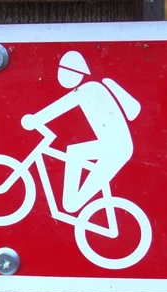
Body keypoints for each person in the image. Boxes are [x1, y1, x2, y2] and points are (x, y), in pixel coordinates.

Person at [21, 50, 141, 213]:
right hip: (113, 146)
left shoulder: (89, 89)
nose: (60, 75)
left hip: (116, 149)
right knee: (76, 152)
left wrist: (35, 120)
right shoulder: (92, 87)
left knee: (76, 155)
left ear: (75, 73)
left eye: (63, 71)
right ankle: (72, 206)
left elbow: (59, 107)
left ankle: (72, 206)